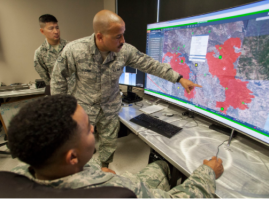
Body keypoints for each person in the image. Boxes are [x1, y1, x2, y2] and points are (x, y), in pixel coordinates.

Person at [50, 10, 202, 168]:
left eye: (123, 34)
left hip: (110, 107)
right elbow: (58, 78)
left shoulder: (125, 51)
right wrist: (64, 112)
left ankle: (104, 170)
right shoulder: (74, 50)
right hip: (83, 109)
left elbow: (150, 64)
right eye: (118, 36)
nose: (123, 40)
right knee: (77, 149)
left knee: (108, 146)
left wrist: (179, 78)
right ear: (100, 36)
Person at [8, 95, 224, 198]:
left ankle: (164, 167)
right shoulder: (117, 192)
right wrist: (206, 174)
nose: (93, 128)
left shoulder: (20, 175)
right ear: (72, 158)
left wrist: (95, 171)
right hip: (134, 187)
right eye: (87, 129)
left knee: (160, 167)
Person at [34, 14, 68, 95]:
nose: (56, 31)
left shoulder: (70, 47)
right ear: (42, 31)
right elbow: (47, 79)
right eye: (51, 28)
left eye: (57, 27)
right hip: (56, 94)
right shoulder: (40, 53)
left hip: (74, 93)